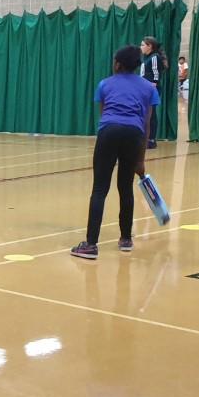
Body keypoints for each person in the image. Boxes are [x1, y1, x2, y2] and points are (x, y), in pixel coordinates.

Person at [71, 45, 160, 260]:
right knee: (125, 187)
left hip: (109, 132)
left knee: (99, 189)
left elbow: (105, 117)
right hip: (134, 135)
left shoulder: (105, 84)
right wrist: (140, 159)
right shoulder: (148, 88)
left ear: (118, 64)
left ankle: (91, 245)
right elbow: (146, 124)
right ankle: (126, 239)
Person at [138, 37, 167, 149]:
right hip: (144, 89)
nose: (141, 47)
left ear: (149, 46)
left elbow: (156, 74)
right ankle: (145, 138)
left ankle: (151, 139)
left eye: (142, 45)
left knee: (151, 115)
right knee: (146, 114)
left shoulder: (154, 57)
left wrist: (153, 84)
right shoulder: (146, 58)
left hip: (150, 89)